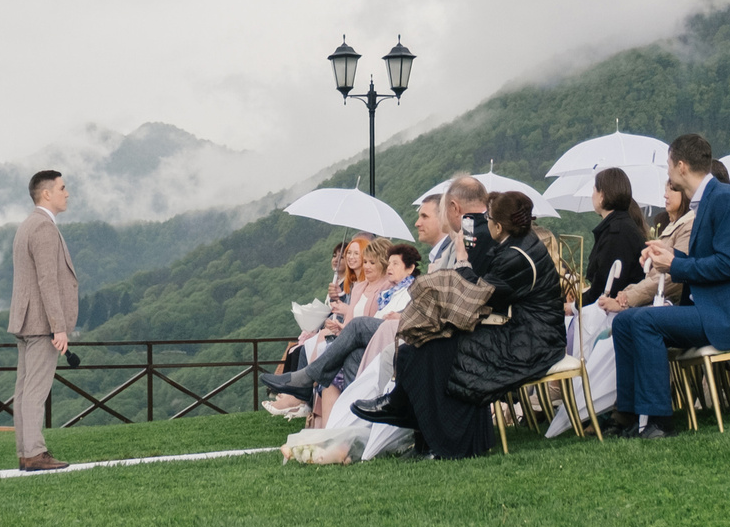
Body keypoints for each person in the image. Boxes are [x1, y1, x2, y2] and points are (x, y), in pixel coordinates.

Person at [596, 134, 730, 441]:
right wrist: (666, 256)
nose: (667, 174)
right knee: (626, 321)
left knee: (643, 322)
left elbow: (728, 265)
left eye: (668, 165)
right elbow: (708, 261)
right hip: (712, 307)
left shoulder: (725, 200)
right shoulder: (707, 201)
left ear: (681, 166)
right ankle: (625, 412)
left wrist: (675, 265)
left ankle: (659, 419)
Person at [355, 193, 560, 458]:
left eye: (489, 220)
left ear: (498, 227)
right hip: (520, 329)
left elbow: (480, 293)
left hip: (532, 341)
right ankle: (412, 419)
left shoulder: (518, 256)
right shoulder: (519, 244)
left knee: (442, 350)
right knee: (419, 345)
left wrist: (463, 259)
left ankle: (443, 440)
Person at [262, 243, 418, 411]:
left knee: (356, 325)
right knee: (352, 355)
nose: (390, 267)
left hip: (395, 337)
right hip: (379, 336)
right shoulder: (391, 292)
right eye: (390, 263)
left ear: (410, 269)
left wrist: (401, 316)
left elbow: (420, 315)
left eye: (395, 264)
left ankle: (306, 378)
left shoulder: (414, 288)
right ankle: (352, 414)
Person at [9, 170, 79, 471]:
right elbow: (47, 281)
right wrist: (58, 327)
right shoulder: (44, 228)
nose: (67, 193)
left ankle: (27, 453)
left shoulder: (27, 225)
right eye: (63, 188)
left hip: (26, 320)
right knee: (34, 392)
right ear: (47, 193)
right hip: (41, 323)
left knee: (25, 390)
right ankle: (35, 453)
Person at [584, 167, 650, 306]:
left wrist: (575, 305)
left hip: (614, 310)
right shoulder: (622, 226)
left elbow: (605, 284)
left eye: (594, 190)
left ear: (602, 196)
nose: (592, 195)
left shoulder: (617, 233)